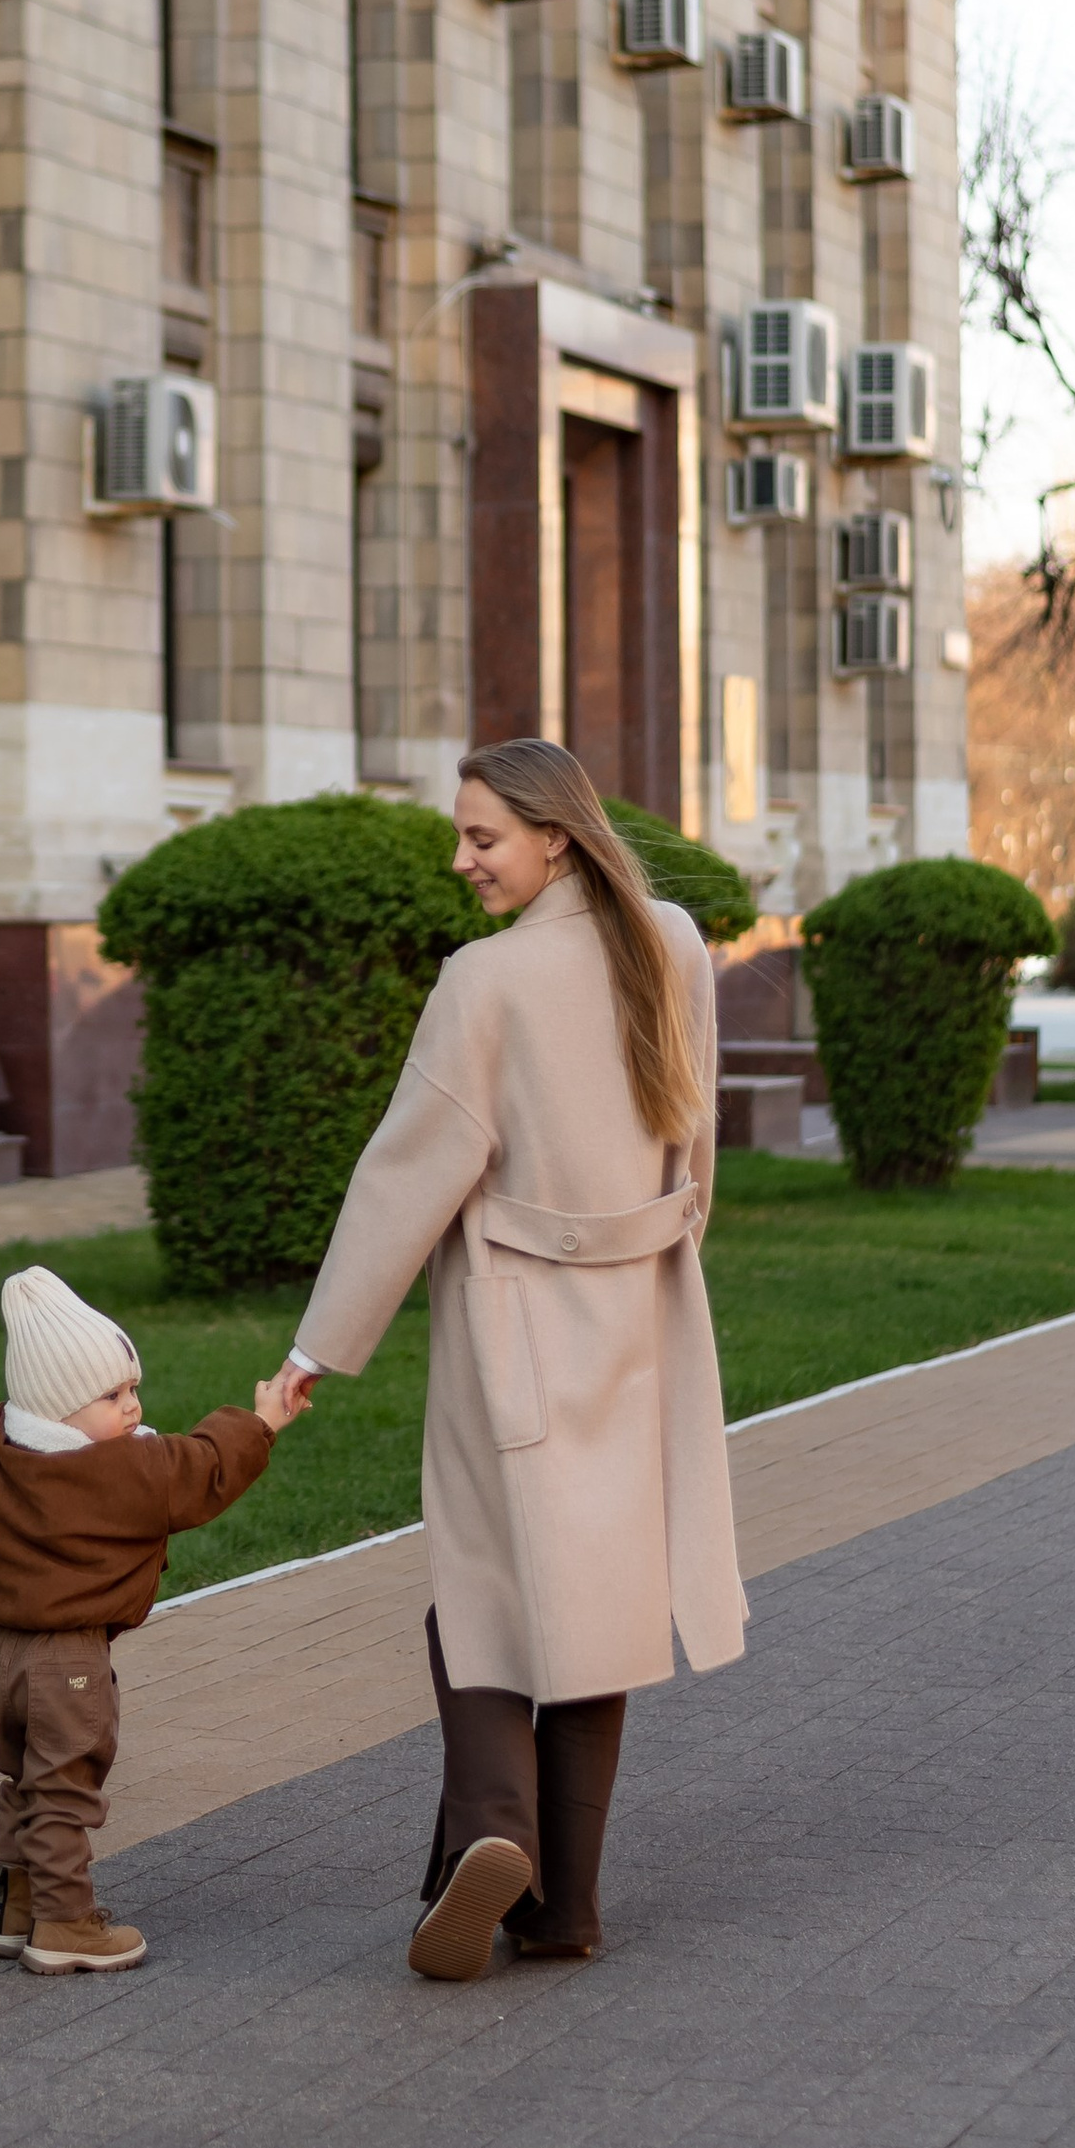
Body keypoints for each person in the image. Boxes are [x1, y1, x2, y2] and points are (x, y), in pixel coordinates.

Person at [268, 740, 743, 1982]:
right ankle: (567, 1908)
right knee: (601, 1594)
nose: (460, 858)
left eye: (481, 836)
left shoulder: (486, 982)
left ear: (555, 839)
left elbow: (407, 1175)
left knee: (483, 1582)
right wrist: (668, 1238)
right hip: (639, 1314)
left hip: (510, 1327)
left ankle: (492, 1831)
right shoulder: (676, 942)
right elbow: (694, 1141)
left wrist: (320, 1346)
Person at [0, 1262, 303, 1973]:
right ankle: (66, 1923)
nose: (131, 1406)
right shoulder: (133, 1470)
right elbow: (210, 1465)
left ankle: (11, 1908)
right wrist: (265, 1416)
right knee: (64, 1791)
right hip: (71, 1665)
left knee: (24, 1779)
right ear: (57, 1407)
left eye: (133, 1388)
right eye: (113, 1393)